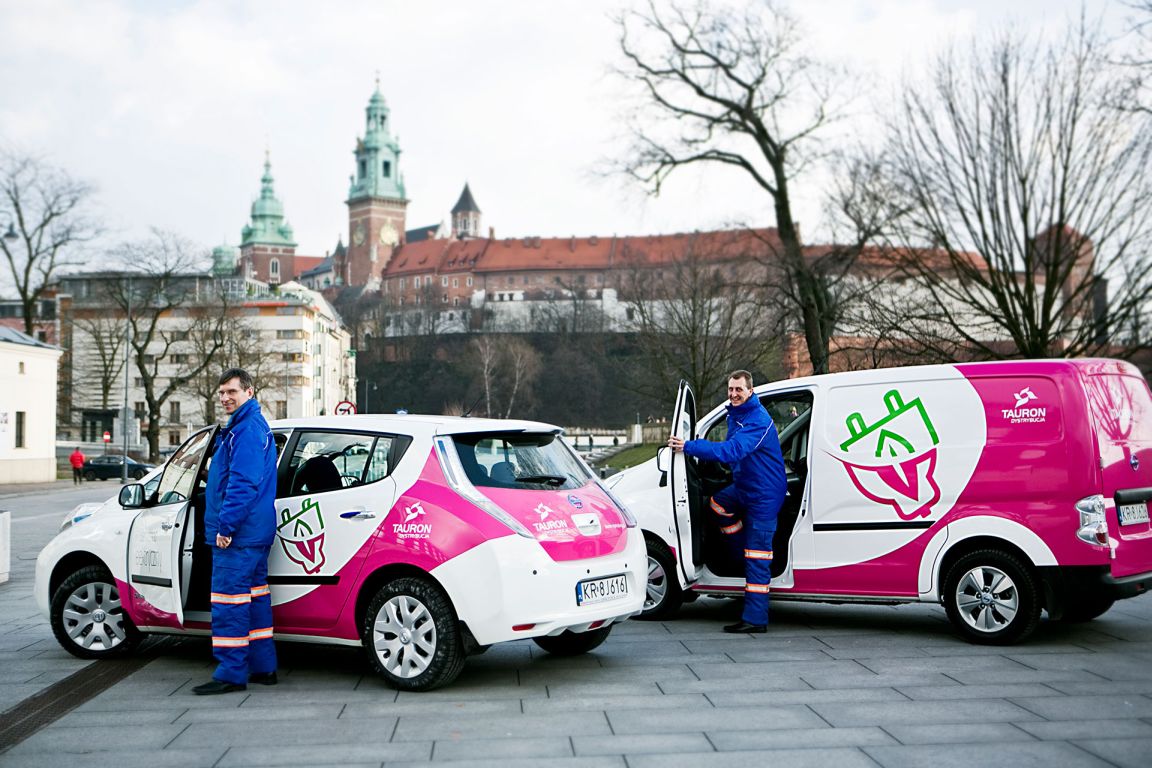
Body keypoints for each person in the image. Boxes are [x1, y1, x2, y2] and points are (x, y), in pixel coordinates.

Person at [668, 370, 787, 634]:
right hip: (745, 486)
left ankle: (755, 619)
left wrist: (688, 446)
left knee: (757, 556)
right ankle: (739, 554)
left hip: (764, 494)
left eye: (739, 390)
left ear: (750, 391)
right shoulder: (737, 414)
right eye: (731, 389)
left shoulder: (757, 420)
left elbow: (731, 450)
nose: (733, 394)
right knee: (717, 505)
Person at [193, 368, 279, 695]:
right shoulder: (247, 427)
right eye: (222, 393)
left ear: (249, 392)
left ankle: (230, 673)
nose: (225, 398)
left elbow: (243, 483)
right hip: (253, 533)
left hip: (239, 535)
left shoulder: (245, 430)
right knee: (254, 600)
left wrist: (226, 527)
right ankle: (263, 667)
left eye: (232, 391)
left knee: (229, 602)